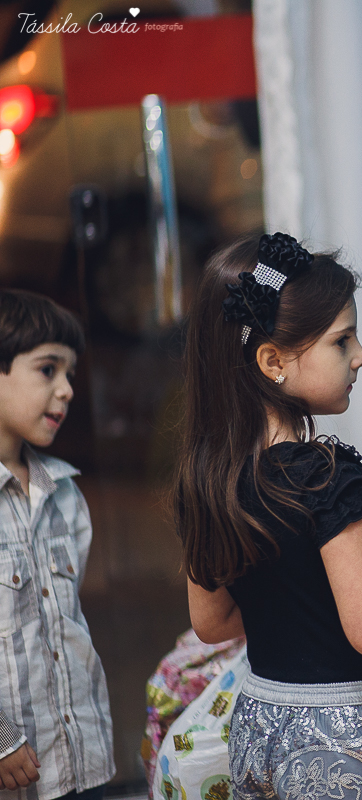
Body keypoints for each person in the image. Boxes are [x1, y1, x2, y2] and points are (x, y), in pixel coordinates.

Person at [174, 233, 362, 800]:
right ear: (272, 362)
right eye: (342, 341)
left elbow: (211, 623)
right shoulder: (323, 476)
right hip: (345, 748)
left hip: (259, 730)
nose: (360, 355)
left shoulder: (208, 478)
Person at [0, 289, 113, 800]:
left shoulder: (65, 494)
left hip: (76, 761)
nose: (67, 389)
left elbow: (64, 621)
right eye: (48, 370)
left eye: (69, 373)